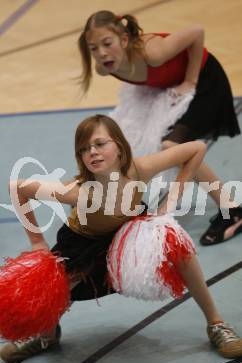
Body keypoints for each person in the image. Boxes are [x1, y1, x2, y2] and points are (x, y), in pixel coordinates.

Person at [0, 114, 242, 363]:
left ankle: (216, 324)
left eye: (100, 144)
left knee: (181, 251)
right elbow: (17, 188)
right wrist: (37, 243)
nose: (92, 152)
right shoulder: (77, 191)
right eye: (84, 149)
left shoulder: (138, 169)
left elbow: (197, 149)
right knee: (51, 293)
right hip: (84, 245)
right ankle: (47, 337)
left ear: (119, 145)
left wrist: (170, 202)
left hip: (130, 233)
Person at [77, 10, 242, 246]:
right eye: (94, 48)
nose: (101, 53)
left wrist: (190, 81)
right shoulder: (105, 67)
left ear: (124, 40)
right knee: (118, 138)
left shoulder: (152, 52)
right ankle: (115, 207)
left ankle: (233, 210)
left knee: (172, 145)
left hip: (205, 80)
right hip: (169, 85)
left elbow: (197, 32)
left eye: (107, 44)